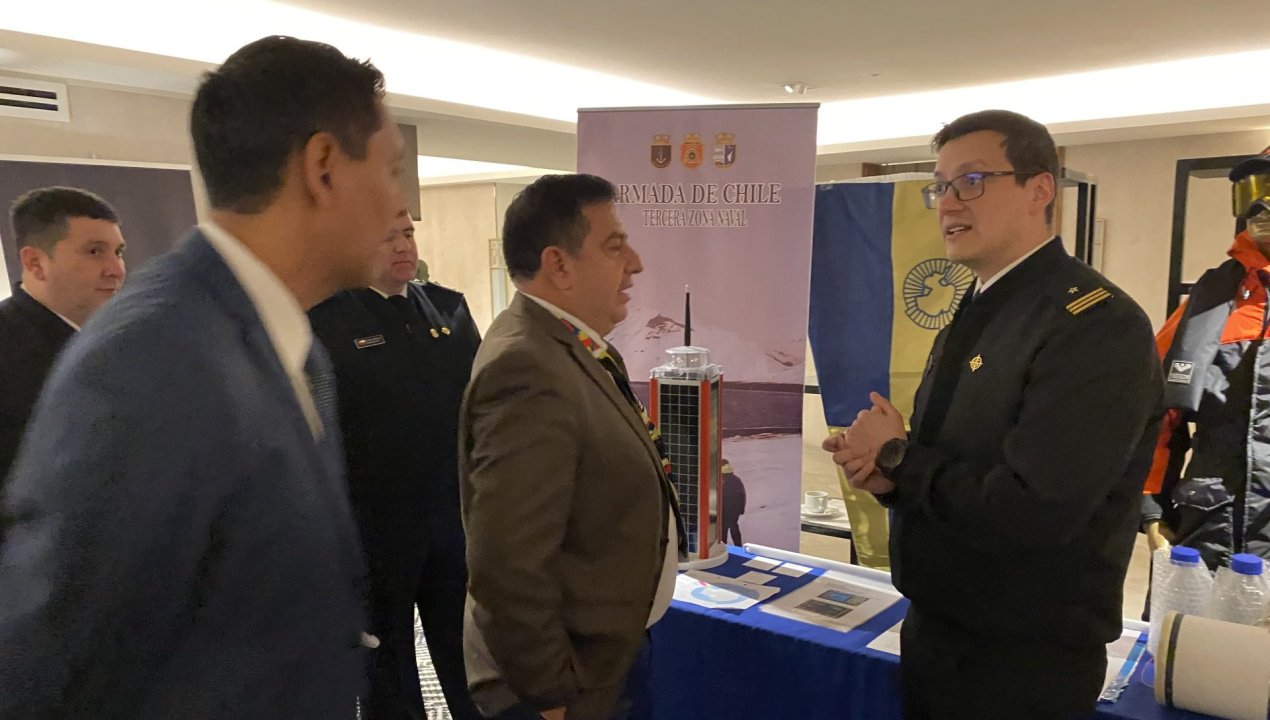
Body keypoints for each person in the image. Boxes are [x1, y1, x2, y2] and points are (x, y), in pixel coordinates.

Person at [0, 35, 405, 719]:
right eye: (391, 170)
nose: (400, 205)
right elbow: (50, 670)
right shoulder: (153, 360)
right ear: (324, 167)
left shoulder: (286, 343)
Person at [822, 109, 1162, 720]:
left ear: (1039, 190)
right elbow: (962, 464)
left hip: (1022, 661)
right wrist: (887, 476)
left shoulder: (1093, 325)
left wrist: (899, 456)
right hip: (939, 631)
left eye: (972, 181)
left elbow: (1034, 510)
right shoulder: (978, 306)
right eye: (940, 187)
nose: (949, 203)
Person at [460, 174, 684, 720]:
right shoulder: (527, 367)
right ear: (558, 265)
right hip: (568, 686)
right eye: (614, 246)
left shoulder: (571, 345)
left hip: (603, 659)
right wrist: (550, 695)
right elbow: (508, 563)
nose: (635, 264)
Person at [310, 208, 482, 720]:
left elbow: (479, 407)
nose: (403, 246)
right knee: (387, 668)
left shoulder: (448, 309)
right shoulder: (324, 320)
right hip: (374, 527)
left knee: (468, 654)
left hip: (451, 518)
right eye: (388, 237)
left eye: (407, 234)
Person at [1144, 145, 1270, 568]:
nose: (1261, 208)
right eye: (1252, 191)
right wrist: (1152, 506)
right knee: (1193, 614)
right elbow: (1160, 407)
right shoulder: (1213, 296)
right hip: (1209, 525)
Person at [0, 186, 125, 483]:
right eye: (95, 251)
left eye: (118, 252)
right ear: (35, 262)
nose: (116, 270)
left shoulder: (122, 341)